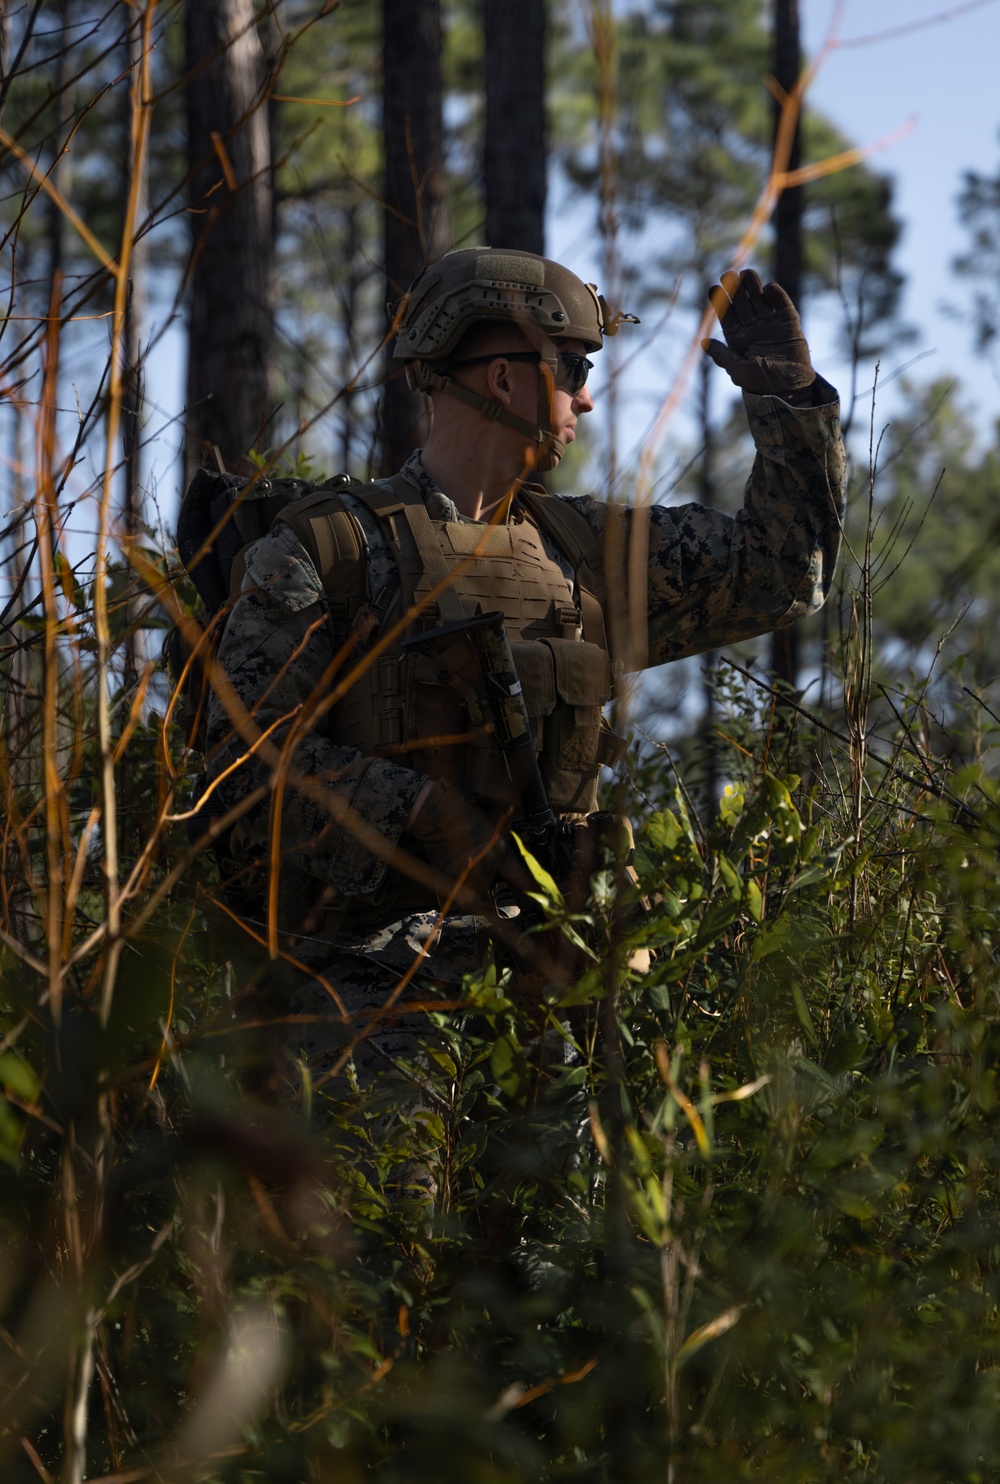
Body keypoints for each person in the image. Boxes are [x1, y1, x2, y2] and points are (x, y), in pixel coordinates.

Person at [204, 248, 846, 1084]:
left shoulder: (580, 551)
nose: (586, 394)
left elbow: (781, 576)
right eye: (573, 366)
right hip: (364, 1011)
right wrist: (427, 813)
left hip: (549, 1004)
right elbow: (241, 777)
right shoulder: (327, 550)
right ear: (502, 379)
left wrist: (787, 399)